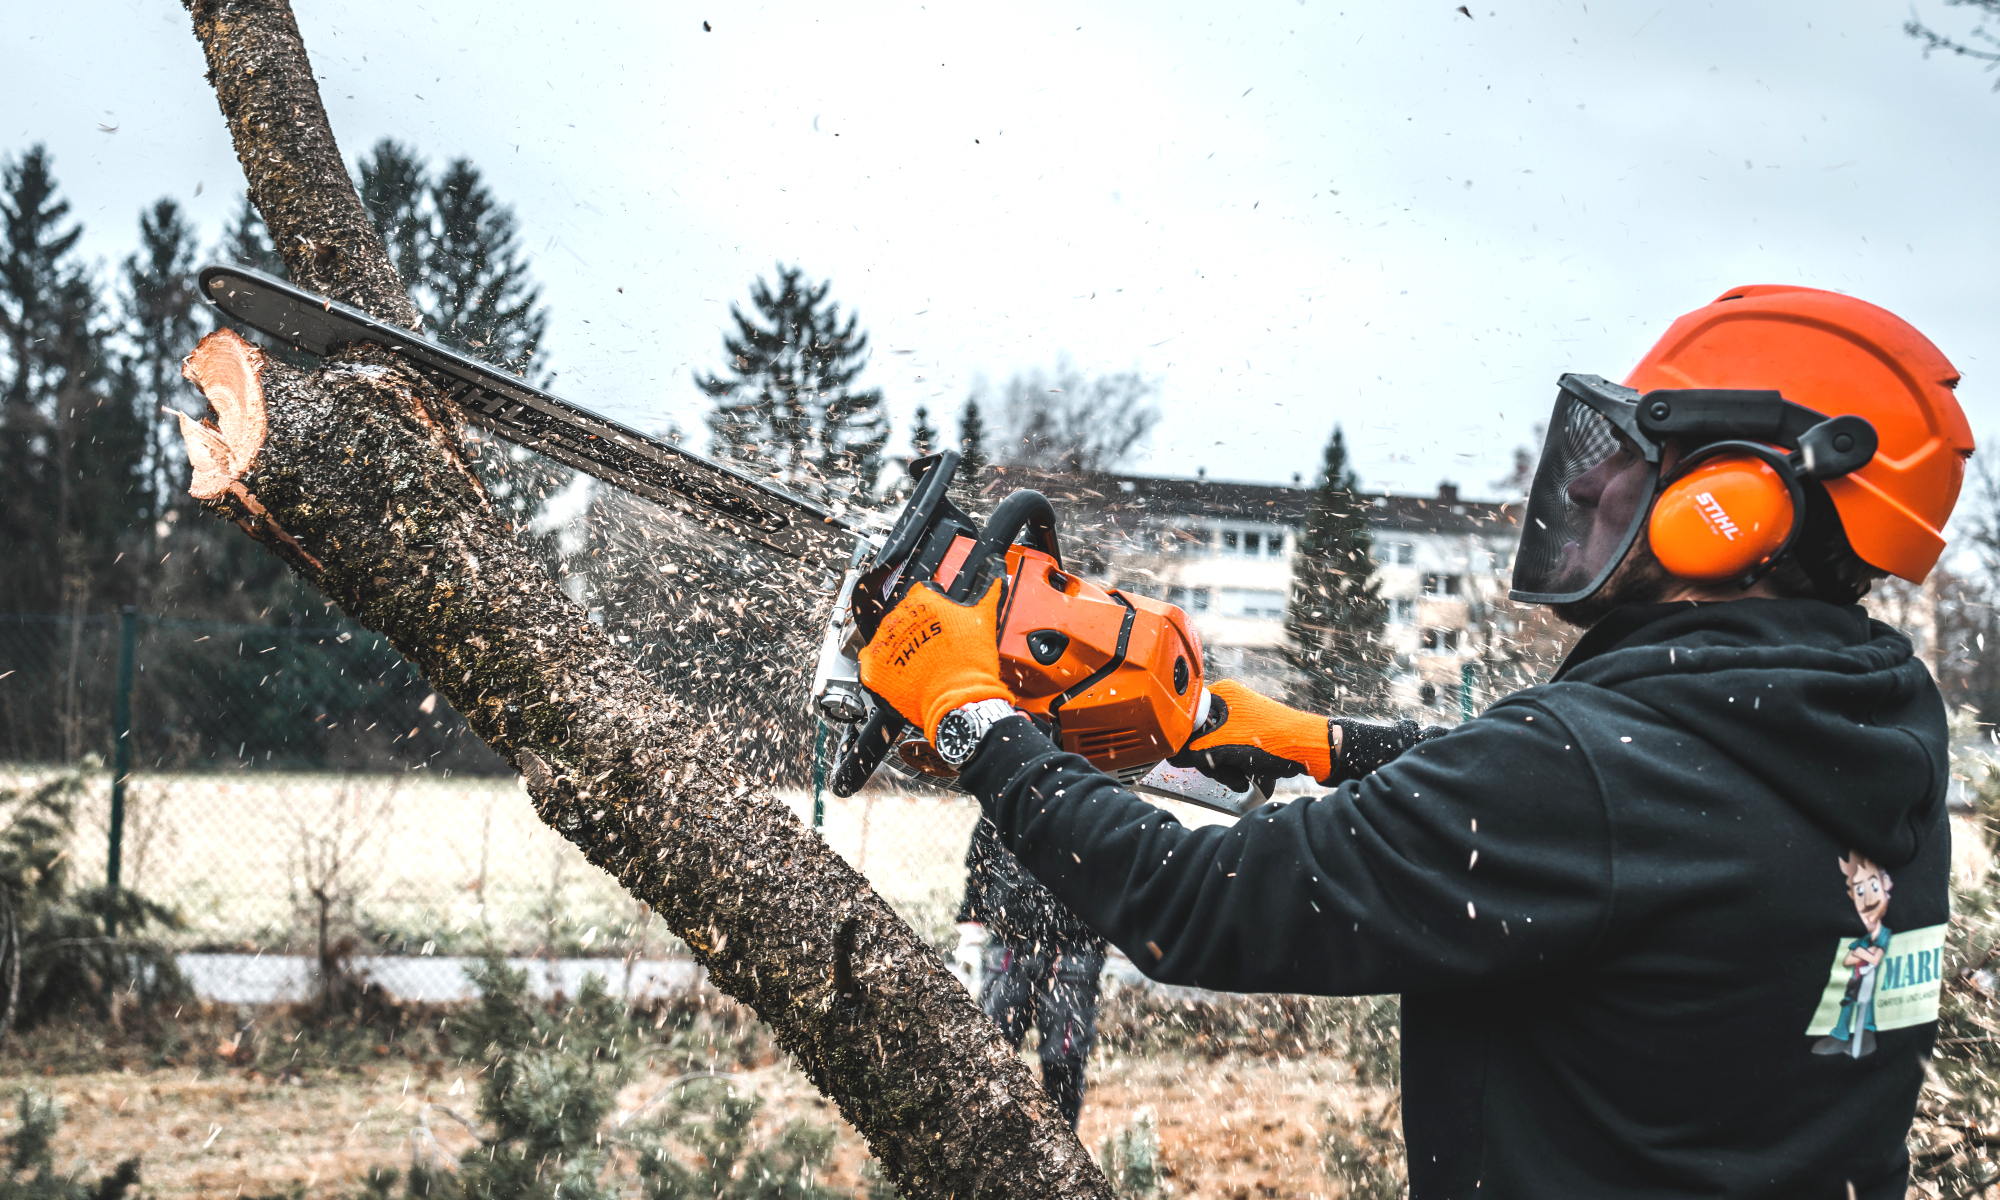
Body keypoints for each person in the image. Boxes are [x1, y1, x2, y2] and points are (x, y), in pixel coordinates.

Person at [857, 285, 1974, 1198]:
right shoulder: (1878, 730)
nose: (1592, 484)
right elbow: (1627, 811)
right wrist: (1322, 745)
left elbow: (1192, 905)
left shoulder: (1579, 776)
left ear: (1736, 505)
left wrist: (973, 715)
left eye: (1641, 457)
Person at [949, 818, 1107, 1128]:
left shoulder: (1097, 799)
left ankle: (1063, 1144)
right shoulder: (1005, 791)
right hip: (1010, 944)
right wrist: (970, 930)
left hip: (1075, 948)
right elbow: (980, 864)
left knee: (1064, 1059)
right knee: (991, 1052)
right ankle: (987, 1135)